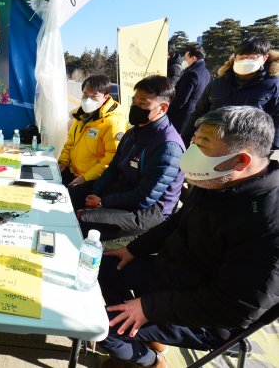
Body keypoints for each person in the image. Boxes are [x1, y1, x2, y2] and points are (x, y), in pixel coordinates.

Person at [97, 106, 279, 368]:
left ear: (241, 161)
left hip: (207, 317)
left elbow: (237, 306)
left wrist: (149, 308)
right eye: (194, 141)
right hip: (171, 276)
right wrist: (134, 249)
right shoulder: (220, 178)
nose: (192, 153)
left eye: (203, 145)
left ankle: (150, 361)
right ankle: (137, 332)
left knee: (101, 327)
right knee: (105, 267)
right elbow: (179, 221)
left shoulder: (268, 222)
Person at [76, 75, 184, 241]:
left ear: (162, 108)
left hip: (149, 211)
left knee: (83, 219)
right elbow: (113, 167)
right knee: (73, 195)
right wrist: (95, 191)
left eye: (142, 104)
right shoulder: (133, 132)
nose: (135, 107)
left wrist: (102, 202)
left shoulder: (168, 147)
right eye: (134, 102)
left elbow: (144, 197)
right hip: (124, 190)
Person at [181, 36, 279, 148]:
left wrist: (270, 150)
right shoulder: (219, 82)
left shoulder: (272, 85)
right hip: (211, 143)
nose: (245, 61)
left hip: (247, 147)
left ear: (264, 58)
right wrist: (185, 138)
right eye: (241, 57)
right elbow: (199, 112)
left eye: (251, 57)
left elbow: (276, 119)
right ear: (235, 57)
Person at [58, 75, 127, 210]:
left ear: (106, 97)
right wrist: (63, 162)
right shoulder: (81, 115)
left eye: (94, 97)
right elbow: (70, 142)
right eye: (85, 94)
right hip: (73, 171)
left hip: (92, 180)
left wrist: (85, 178)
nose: (87, 100)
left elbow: (112, 158)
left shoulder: (113, 122)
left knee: (65, 206)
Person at [166, 44, 211, 133]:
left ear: (193, 58)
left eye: (186, 59)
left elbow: (182, 99)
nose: (184, 61)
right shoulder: (206, 72)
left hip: (181, 117)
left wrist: (168, 109)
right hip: (195, 114)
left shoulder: (192, 73)